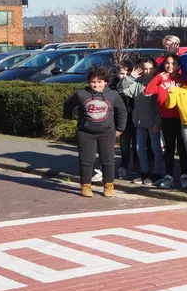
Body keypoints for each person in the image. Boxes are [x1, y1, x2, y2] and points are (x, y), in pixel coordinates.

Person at [64, 66, 127, 198]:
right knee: (86, 160)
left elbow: (121, 112)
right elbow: (68, 105)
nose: (96, 84)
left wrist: (120, 129)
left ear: (106, 82)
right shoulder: (81, 94)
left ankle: (108, 185)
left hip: (107, 133)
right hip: (85, 133)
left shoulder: (113, 95)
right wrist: (70, 118)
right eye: (93, 81)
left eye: (99, 82)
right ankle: (86, 185)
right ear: (88, 82)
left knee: (108, 160)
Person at [145, 54, 187, 189]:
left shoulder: (182, 81)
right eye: (167, 63)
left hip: (181, 119)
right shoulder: (160, 80)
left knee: (183, 149)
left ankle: (184, 175)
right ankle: (169, 176)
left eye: (173, 63)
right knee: (169, 149)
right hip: (166, 119)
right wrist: (158, 78)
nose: (170, 66)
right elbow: (147, 92)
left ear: (178, 66)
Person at [117, 58, 165, 186]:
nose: (147, 71)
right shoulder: (138, 83)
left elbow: (162, 106)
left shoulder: (159, 83)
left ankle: (157, 173)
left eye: (150, 68)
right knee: (140, 149)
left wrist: (157, 122)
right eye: (144, 68)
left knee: (156, 148)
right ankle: (144, 172)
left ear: (155, 68)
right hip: (139, 121)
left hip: (153, 123)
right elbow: (121, 88)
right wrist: (131, 77)